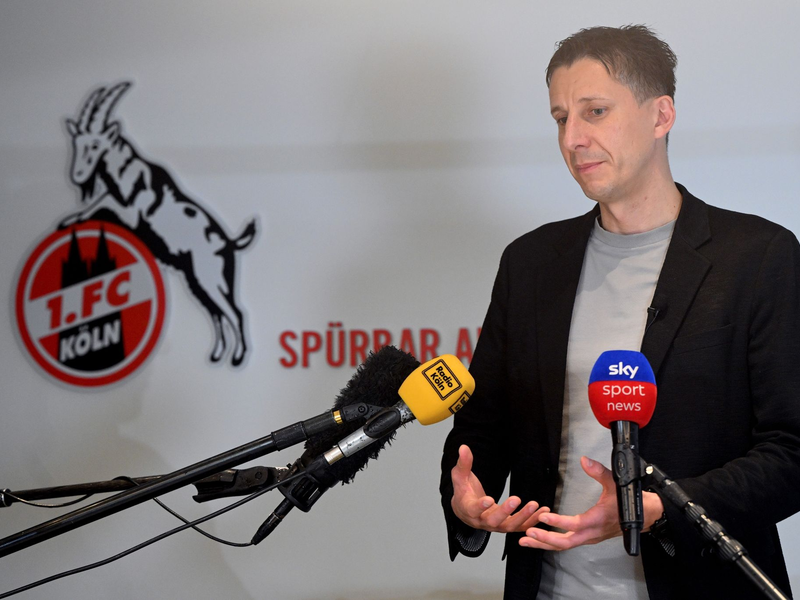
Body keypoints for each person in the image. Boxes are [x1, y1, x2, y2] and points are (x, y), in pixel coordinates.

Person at [440, 24, 800, 599]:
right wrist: (468, 499)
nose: (573, 139)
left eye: (596, 112)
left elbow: (791, 452)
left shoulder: (758, 258)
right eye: (561, 118)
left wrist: (656, 509)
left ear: (661, 116)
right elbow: (482, 431)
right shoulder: (530, 263)